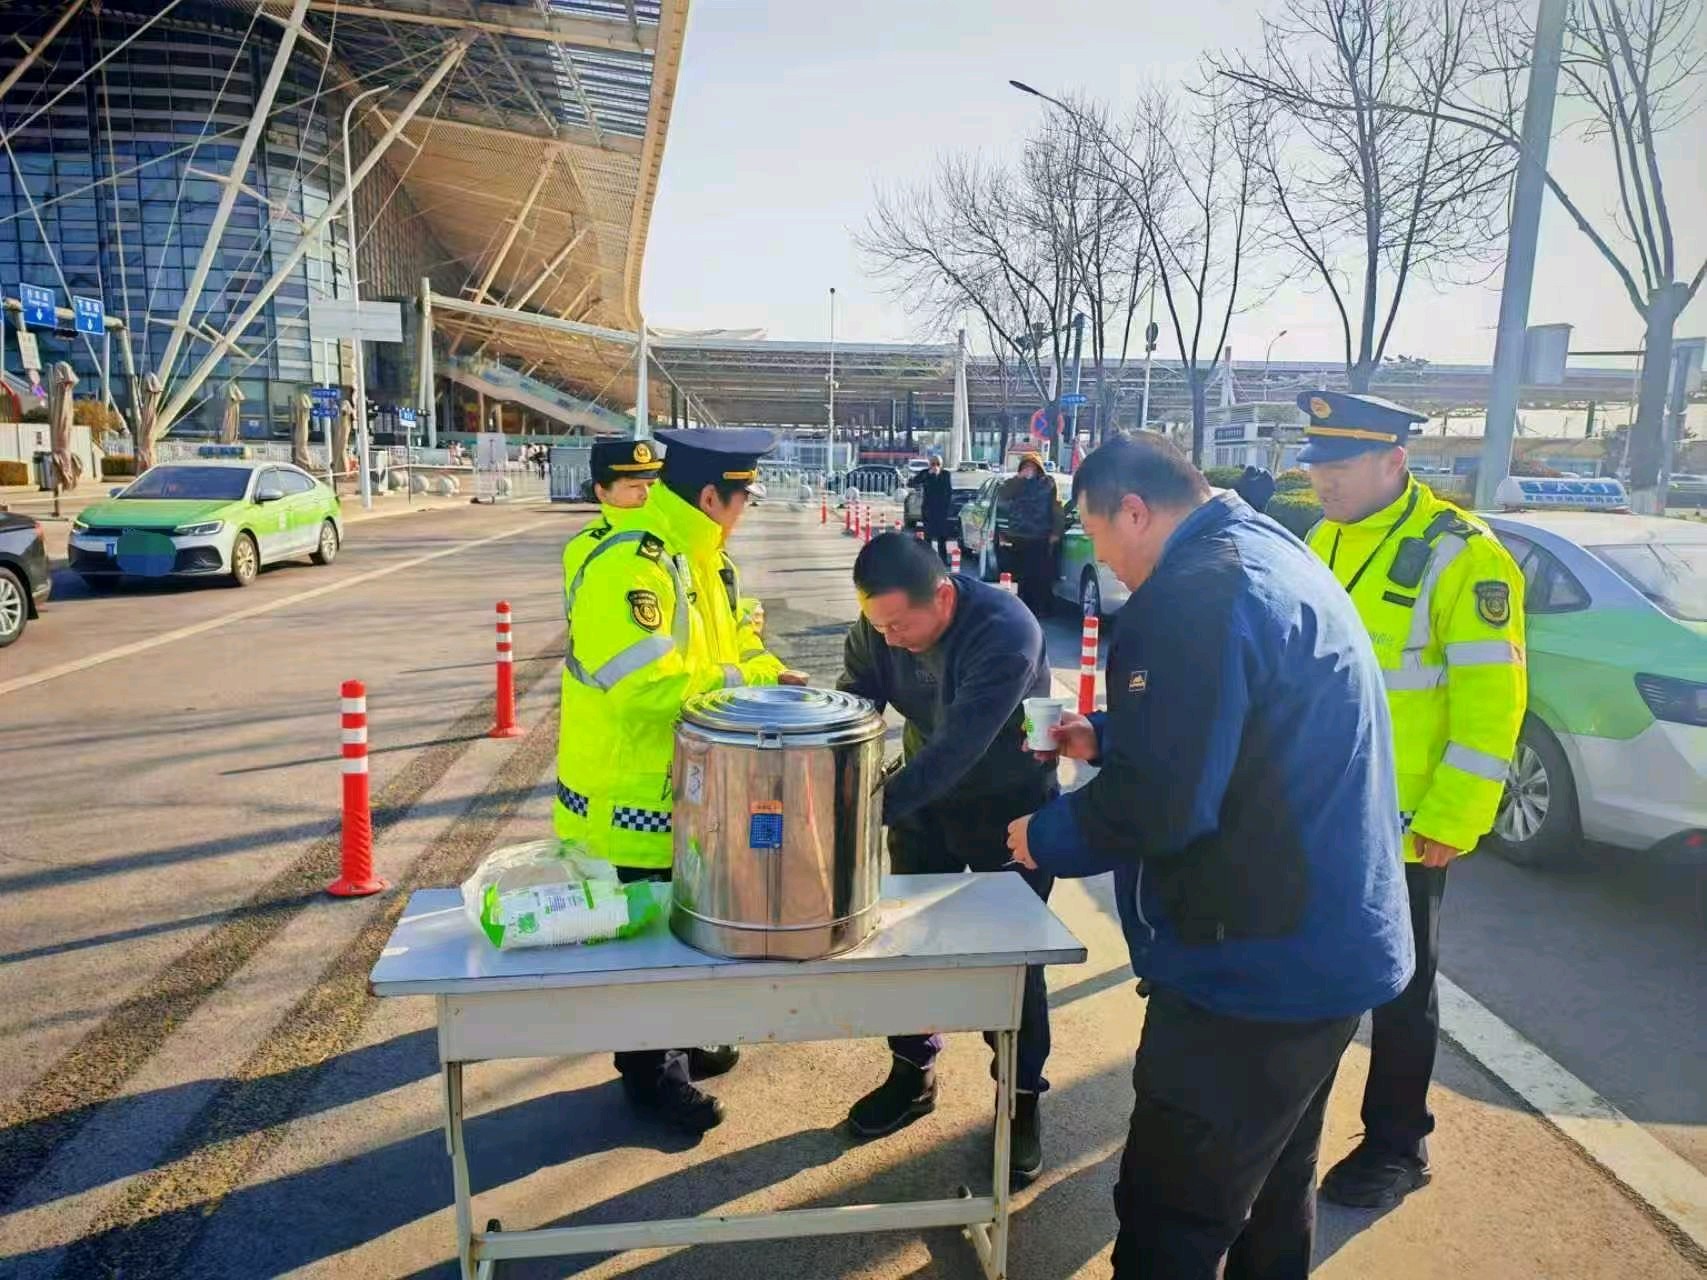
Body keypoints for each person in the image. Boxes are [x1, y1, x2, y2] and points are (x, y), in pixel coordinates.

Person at [1004, 433, 1414, 1279]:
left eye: (1100, 536)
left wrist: (1042, 837)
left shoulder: (1194, 591)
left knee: (1172, 1218)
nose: (1104, 562)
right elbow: (1232, 726)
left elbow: (1163, 801)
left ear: (1133, 511)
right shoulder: (1263, 550)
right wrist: (1105, 734)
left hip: (1250, 969)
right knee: (1271, 1195)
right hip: (1320, 949)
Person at [1297, 390, 1527, 1209]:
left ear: (1394, 461)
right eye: (1317, 463)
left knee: (1399, 990)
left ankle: (1397, 1145)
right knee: (1314, 977)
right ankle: (1292, 1126)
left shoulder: (1461, 555)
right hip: (1319, 814)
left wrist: (1454, 817)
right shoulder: (1323, 539)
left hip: (1403, 826)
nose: (1322, 479)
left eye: (1340, 464)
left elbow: (1491, 703)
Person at [554, 427, 806, 1134]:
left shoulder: (706, 560)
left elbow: (739, 640)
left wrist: (766, 671)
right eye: (743, 498)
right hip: (627, 799)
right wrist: (746, 681)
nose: (746, 510)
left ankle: (683, 1039)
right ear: (711, 498)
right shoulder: (632, 565)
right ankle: (651, 1076)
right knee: (645, 950)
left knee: (688, 930)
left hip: (686, 791)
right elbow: (645, 688)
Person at [837, 533, 1058, 1183]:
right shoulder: (878, 625)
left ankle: (1019, 1098)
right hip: (923, 809)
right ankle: (912, 1071)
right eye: (878, 625)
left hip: (1009, 812)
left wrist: (863, 814)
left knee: (1012, 965)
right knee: (909, 945)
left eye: (899, 625)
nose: (890, 638)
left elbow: (958, 747)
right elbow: (855, 705)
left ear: (941, 596)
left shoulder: (1004, 631)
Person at [999, 452, 1063, 617]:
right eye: (1025, 466)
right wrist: (1018, 478)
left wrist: (1056, 531)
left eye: (1032, 466)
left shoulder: (1048, 483)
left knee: (1039, 575)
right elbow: (1003, 494)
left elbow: (1057, 507)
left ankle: (1039, 608)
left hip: (1039, 535)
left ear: (1038, 468)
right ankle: (1023, 607)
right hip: (1018, 535)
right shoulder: (1016, 484)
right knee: (1021, 575)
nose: (1029, 470)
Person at [909, 453, 954, 565]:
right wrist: (928, 475)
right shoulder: (925, 473)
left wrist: (948, 508)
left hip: (941, 510)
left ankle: (943, 560)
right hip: (928, 510)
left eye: (938, 464)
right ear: (929, 464)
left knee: (942, 536)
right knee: (928, 536)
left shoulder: (945, 474)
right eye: (933, 464)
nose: (935, 466)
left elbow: (949, 492)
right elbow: (912, 482)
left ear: (941, 465)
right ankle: (928, 560)